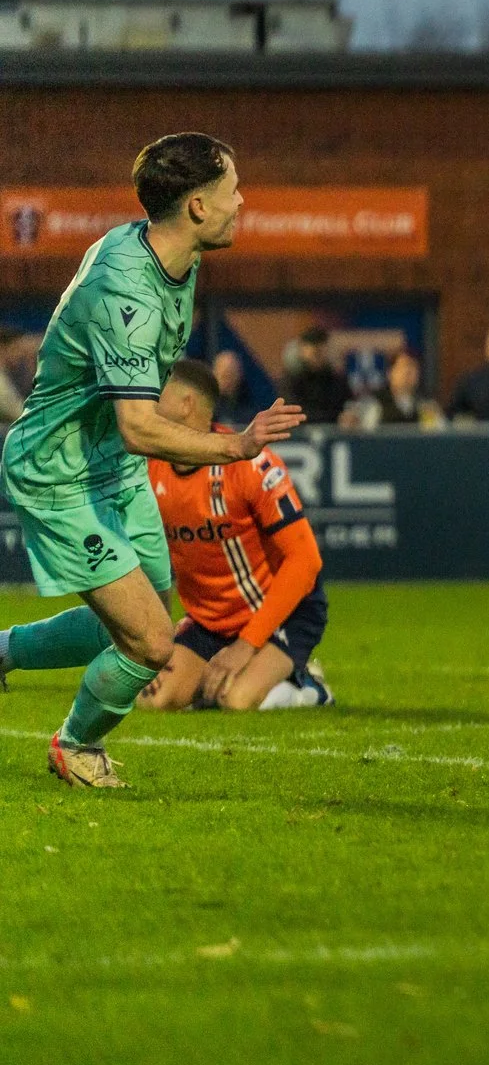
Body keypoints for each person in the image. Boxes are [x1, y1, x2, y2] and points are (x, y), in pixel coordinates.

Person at [0, 133, 307, 787]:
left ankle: (3, 652)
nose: (242, 200)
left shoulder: (170, 251)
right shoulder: (130, 293)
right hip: (59, 471)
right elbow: (140, 426)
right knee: (149, 642)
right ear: (196, 206)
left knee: (139, 620)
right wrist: (234, 444)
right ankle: (74, 745)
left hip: (108, 463)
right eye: (231, 189)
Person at [136, 359, 334, 712]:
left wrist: (246, 645)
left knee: (236, 700)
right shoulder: (148, 466)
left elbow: (306, 561)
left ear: (186, 406)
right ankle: (233, 677)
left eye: (158, 392)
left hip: (280, 615)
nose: (146, 402)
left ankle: (308, 686)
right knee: (156, 700)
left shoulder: (250, 465)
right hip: (209, 621)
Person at [351, 349, 445, 428]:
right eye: (403, 368)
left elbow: (440, 436)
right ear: (390, 373)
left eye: (413, 369)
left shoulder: (426, 404)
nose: (407, 373)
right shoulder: (375, 403)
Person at [284, 326, 354, 426]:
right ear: (301, 350)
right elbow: (295, 413)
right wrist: (335, 418)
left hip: (335, 437)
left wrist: (350, 416)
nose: (317, 354)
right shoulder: (291, 381)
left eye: (321, 350)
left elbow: (348, 405)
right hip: (300, 438)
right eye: (314, 352)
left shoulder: (337, 380)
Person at [211, 348, 254, 426]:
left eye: (231, 375)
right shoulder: (207, 407)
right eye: (224, 376)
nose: (228, 381)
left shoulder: (249, 406)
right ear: (214, 374)